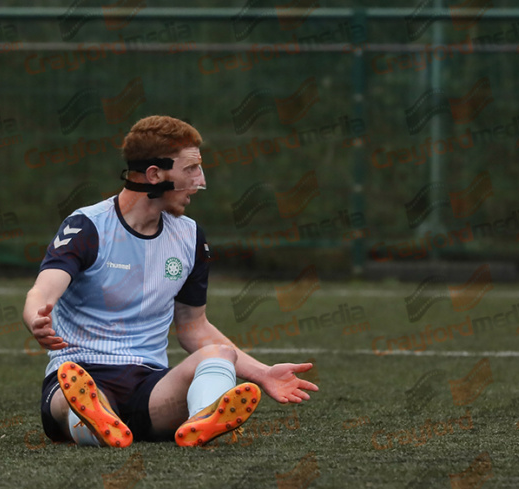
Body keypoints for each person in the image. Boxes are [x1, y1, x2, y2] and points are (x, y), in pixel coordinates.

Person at [24, 116, 317, 447]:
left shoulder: (190, 237)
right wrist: (37, 317)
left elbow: (194, 328)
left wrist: (262, 374)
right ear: (154, 175)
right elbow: (43, 290)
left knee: (219, 353)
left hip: (149, 387)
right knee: (75, 398)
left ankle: (202, 420)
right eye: (190, 169)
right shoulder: (88, 226)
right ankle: (91, 419)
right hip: (79, 371)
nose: (199, 180)